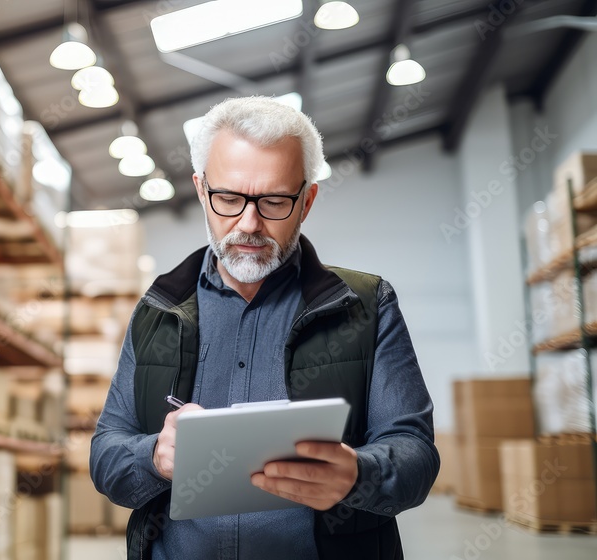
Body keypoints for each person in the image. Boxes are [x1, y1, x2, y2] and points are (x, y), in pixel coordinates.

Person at [89, 96, 439, 560]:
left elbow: (415, 452)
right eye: (229, 199)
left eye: (274, 201)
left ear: (307, 200)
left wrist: (357, 472)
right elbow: (105, 452)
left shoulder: (368, 306)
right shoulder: (158, 312)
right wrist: (155, 456)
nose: (249, 224)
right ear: (200, 190)